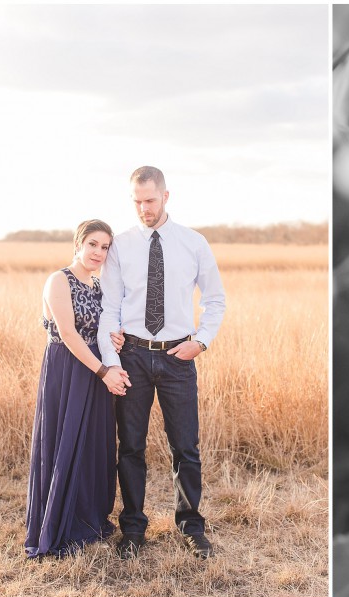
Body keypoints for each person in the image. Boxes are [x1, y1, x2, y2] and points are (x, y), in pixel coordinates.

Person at [97, 166, 226, 559]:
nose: (143, 208)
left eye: (149, 200)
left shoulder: (194, 243)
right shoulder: (120, 245)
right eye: (136, 201)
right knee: (131, 447)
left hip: (177, 358)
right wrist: (110, 358)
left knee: (185, 446)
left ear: (166, 196)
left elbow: (216, 299)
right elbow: (109, 306)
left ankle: (191, 526)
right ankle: (133, 529)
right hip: (132, 356)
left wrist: (200, 343)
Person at [25, 219, 130, 558]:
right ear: (78, 244)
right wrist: (103, 371)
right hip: (68, 371)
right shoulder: (59, 280)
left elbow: (103, 329)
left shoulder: (99, 286)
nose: (99, 252)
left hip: (95, 372)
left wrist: (115, 338)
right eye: (93, 244)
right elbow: (68, 334)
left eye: (105, 247)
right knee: (65, 441)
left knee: (92, 444)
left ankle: (87, 519)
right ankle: (60, 524)